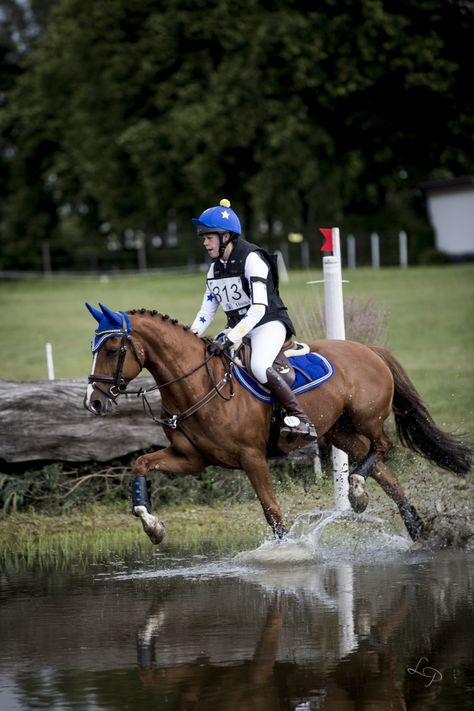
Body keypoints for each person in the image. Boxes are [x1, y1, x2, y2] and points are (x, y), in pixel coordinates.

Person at [190, 198, 317, 442]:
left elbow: (258, 308)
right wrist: (189, 336)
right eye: (203, 238)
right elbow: (206, 313)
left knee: (258, 365)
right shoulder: (214, 269)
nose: (205, 243)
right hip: (239, 329)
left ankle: (301, 418)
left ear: (226, 236)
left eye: (209, 237)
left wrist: (231, 337)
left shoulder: (252, 259)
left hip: (268, 324)